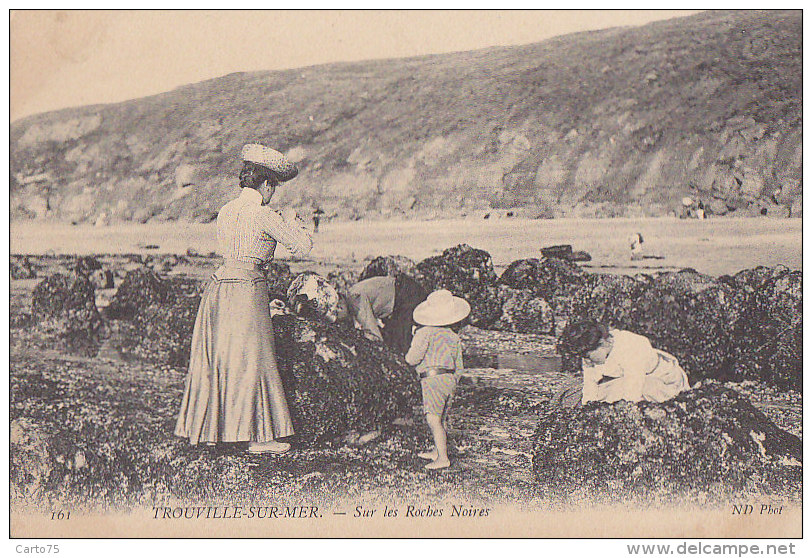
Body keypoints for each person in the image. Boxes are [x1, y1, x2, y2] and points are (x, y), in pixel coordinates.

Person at [175, 144, 313, 455]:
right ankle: (259, 437)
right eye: (272, 188)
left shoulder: (226, 210)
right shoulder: (264, 214)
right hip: (248, 287)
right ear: (267, 185)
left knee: (220, 357)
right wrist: (292, 219)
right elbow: (303, 247)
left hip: (219, 286)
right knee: (254, 357)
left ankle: (213, 431)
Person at [555, 319, 690, 407]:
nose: (586, 361)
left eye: (588, 356)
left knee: (614, 395)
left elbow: (633, 389)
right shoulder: (592, 352)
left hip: (664, 381)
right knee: (591, 397)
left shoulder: (631, 345)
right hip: (632, 378)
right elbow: (590, 384)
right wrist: (586, 408)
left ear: (601, 344)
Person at [405, 289, 470, 470]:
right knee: (442, 419)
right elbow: (460, 367)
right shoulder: (453, 336)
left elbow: (412, 359)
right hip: (449, 379)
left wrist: (413, 338)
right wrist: (453, 381)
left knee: (433, 418)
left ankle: (443, 458)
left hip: (432, 379)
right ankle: (438, 450)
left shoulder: (425, 333)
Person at [334, 273, 428, 354]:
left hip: (406, 294)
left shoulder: (355, 299)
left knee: (401, 344)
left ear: (340, 305)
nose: (339, 319)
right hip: (402, 294)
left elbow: (373, 333)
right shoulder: (352, 293)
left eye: (337, 315)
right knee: (394, 339)